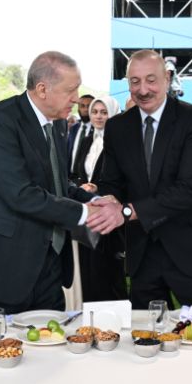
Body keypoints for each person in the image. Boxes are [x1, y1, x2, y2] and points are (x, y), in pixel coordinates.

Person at [0, 52, 123, 317]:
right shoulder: (0, 119)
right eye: (70, 90)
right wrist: (86, 213)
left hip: (49, 266)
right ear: (43, 89)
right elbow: (20, 193)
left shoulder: (57, 125)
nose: (76, 98)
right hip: (1, 265)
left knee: (52, 339)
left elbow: (56, 184)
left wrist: (94, 200)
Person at [97, 49, 192, 309]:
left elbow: (190, 189)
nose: (143, 90)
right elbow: (111, 181)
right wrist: (104, 198)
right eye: (135, 81)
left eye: (151, 80)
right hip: (142, 251)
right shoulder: (117, 127)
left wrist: (125, 211)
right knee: (144, 330)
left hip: (191, 249)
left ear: (167, 79)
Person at [74, 96, 127, 302]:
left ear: (113, 114)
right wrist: (81, 187)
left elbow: (121, 181)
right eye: (95, 112)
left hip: (108, 212)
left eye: (104, 112)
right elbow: (78, 171)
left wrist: (97, 188)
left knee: (107, 271)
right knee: (88, 269)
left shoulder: (120, 144)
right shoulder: (88, 140)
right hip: (87, 211)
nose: (98, 116)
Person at [67, 94, 94, 167]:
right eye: (82, 106)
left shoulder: (98, 131)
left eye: (89, 106)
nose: (85, 109)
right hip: (70, 173)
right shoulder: (73, 129)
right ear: (78, 108)